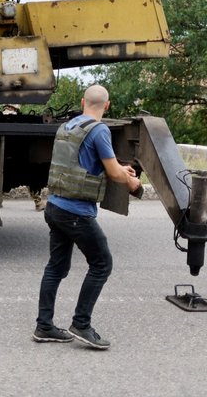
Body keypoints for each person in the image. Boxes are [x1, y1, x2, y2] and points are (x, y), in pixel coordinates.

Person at [33, 84, 141, 349]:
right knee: (102, 264)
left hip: (55, 206)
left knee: (56, 267)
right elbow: (115, 174)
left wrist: (118, 168)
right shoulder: (100, 130)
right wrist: (133, 185)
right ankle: (81, 324)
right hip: (76, 212)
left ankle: (44, 326)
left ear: (83, 102)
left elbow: (85, 163)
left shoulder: (67, 127)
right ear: (107, 106)